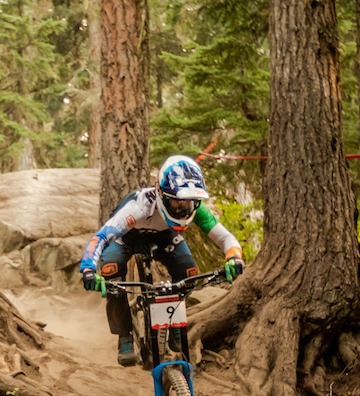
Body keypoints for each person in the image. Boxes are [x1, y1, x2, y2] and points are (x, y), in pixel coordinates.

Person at [78, 155, 245, 366]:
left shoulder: (197, 209)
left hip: (164, 236)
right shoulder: (138, 207)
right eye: (177, 202)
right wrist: (88, 270)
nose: (183, 208)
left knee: (189, 273)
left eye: (189, 202)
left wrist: (234, 258)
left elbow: (225, 237)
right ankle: (124, 335)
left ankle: (175, 320)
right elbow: (101, 237)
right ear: (161, 195)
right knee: (112, 271)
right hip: (126, 237)